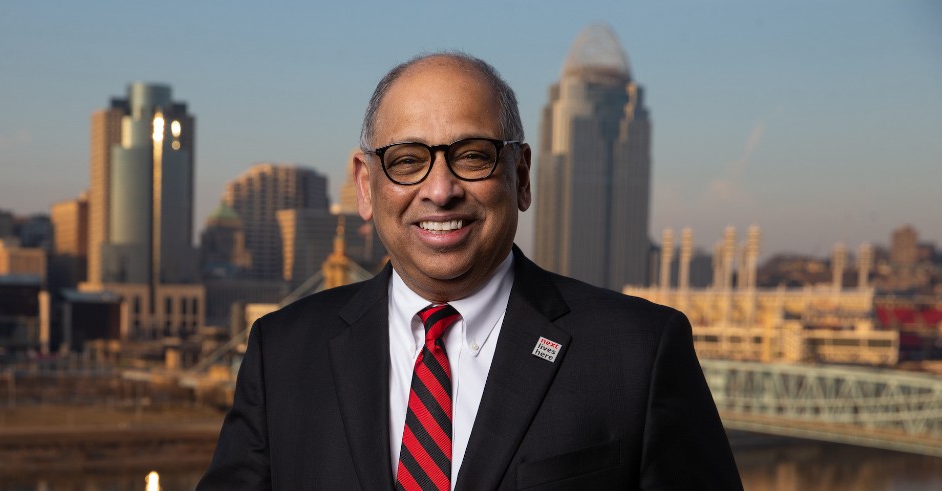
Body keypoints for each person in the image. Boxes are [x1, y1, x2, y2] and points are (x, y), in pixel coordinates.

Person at [198, 52, 742, 490]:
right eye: (408, 160)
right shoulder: (284, 352)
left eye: (473, 156)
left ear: (521, 176)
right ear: (366, 185)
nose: (440, 190)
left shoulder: (638, 353)